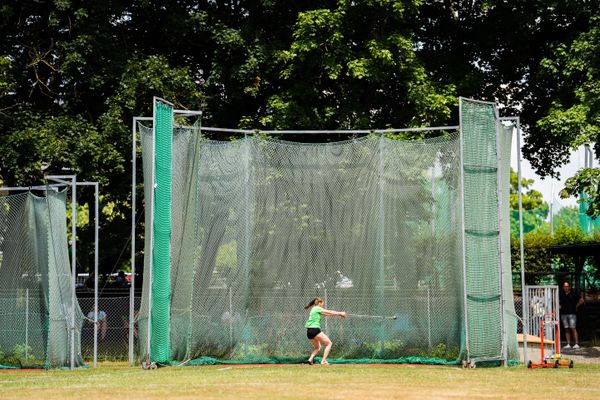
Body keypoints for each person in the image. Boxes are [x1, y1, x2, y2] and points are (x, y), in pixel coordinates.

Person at [304, 297, 346, 365]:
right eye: (322, 303)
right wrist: (340, 313)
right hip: (315, 329)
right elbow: (329, 311)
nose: (323, 304)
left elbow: (329, 314)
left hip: (309, 332)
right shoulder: (317, 308)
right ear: (319, 303)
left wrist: (339, 314)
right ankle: (323, 361)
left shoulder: (314, 309)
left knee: (318, 347)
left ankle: (310, 359)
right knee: (329, 344)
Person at [559, 281, 584, 349]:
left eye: (567, 286)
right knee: (566, 329)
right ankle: (568, 344)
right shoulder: (561, 294)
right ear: (563, 287)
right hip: (564, 314)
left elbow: (582, 300)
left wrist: (576, 306)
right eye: (564, 286)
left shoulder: (573, 294)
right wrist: (559, 306)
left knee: (573, 328)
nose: (566, 287)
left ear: (569, 287)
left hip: (572, 314)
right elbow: (558, 302)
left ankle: (576, 344)